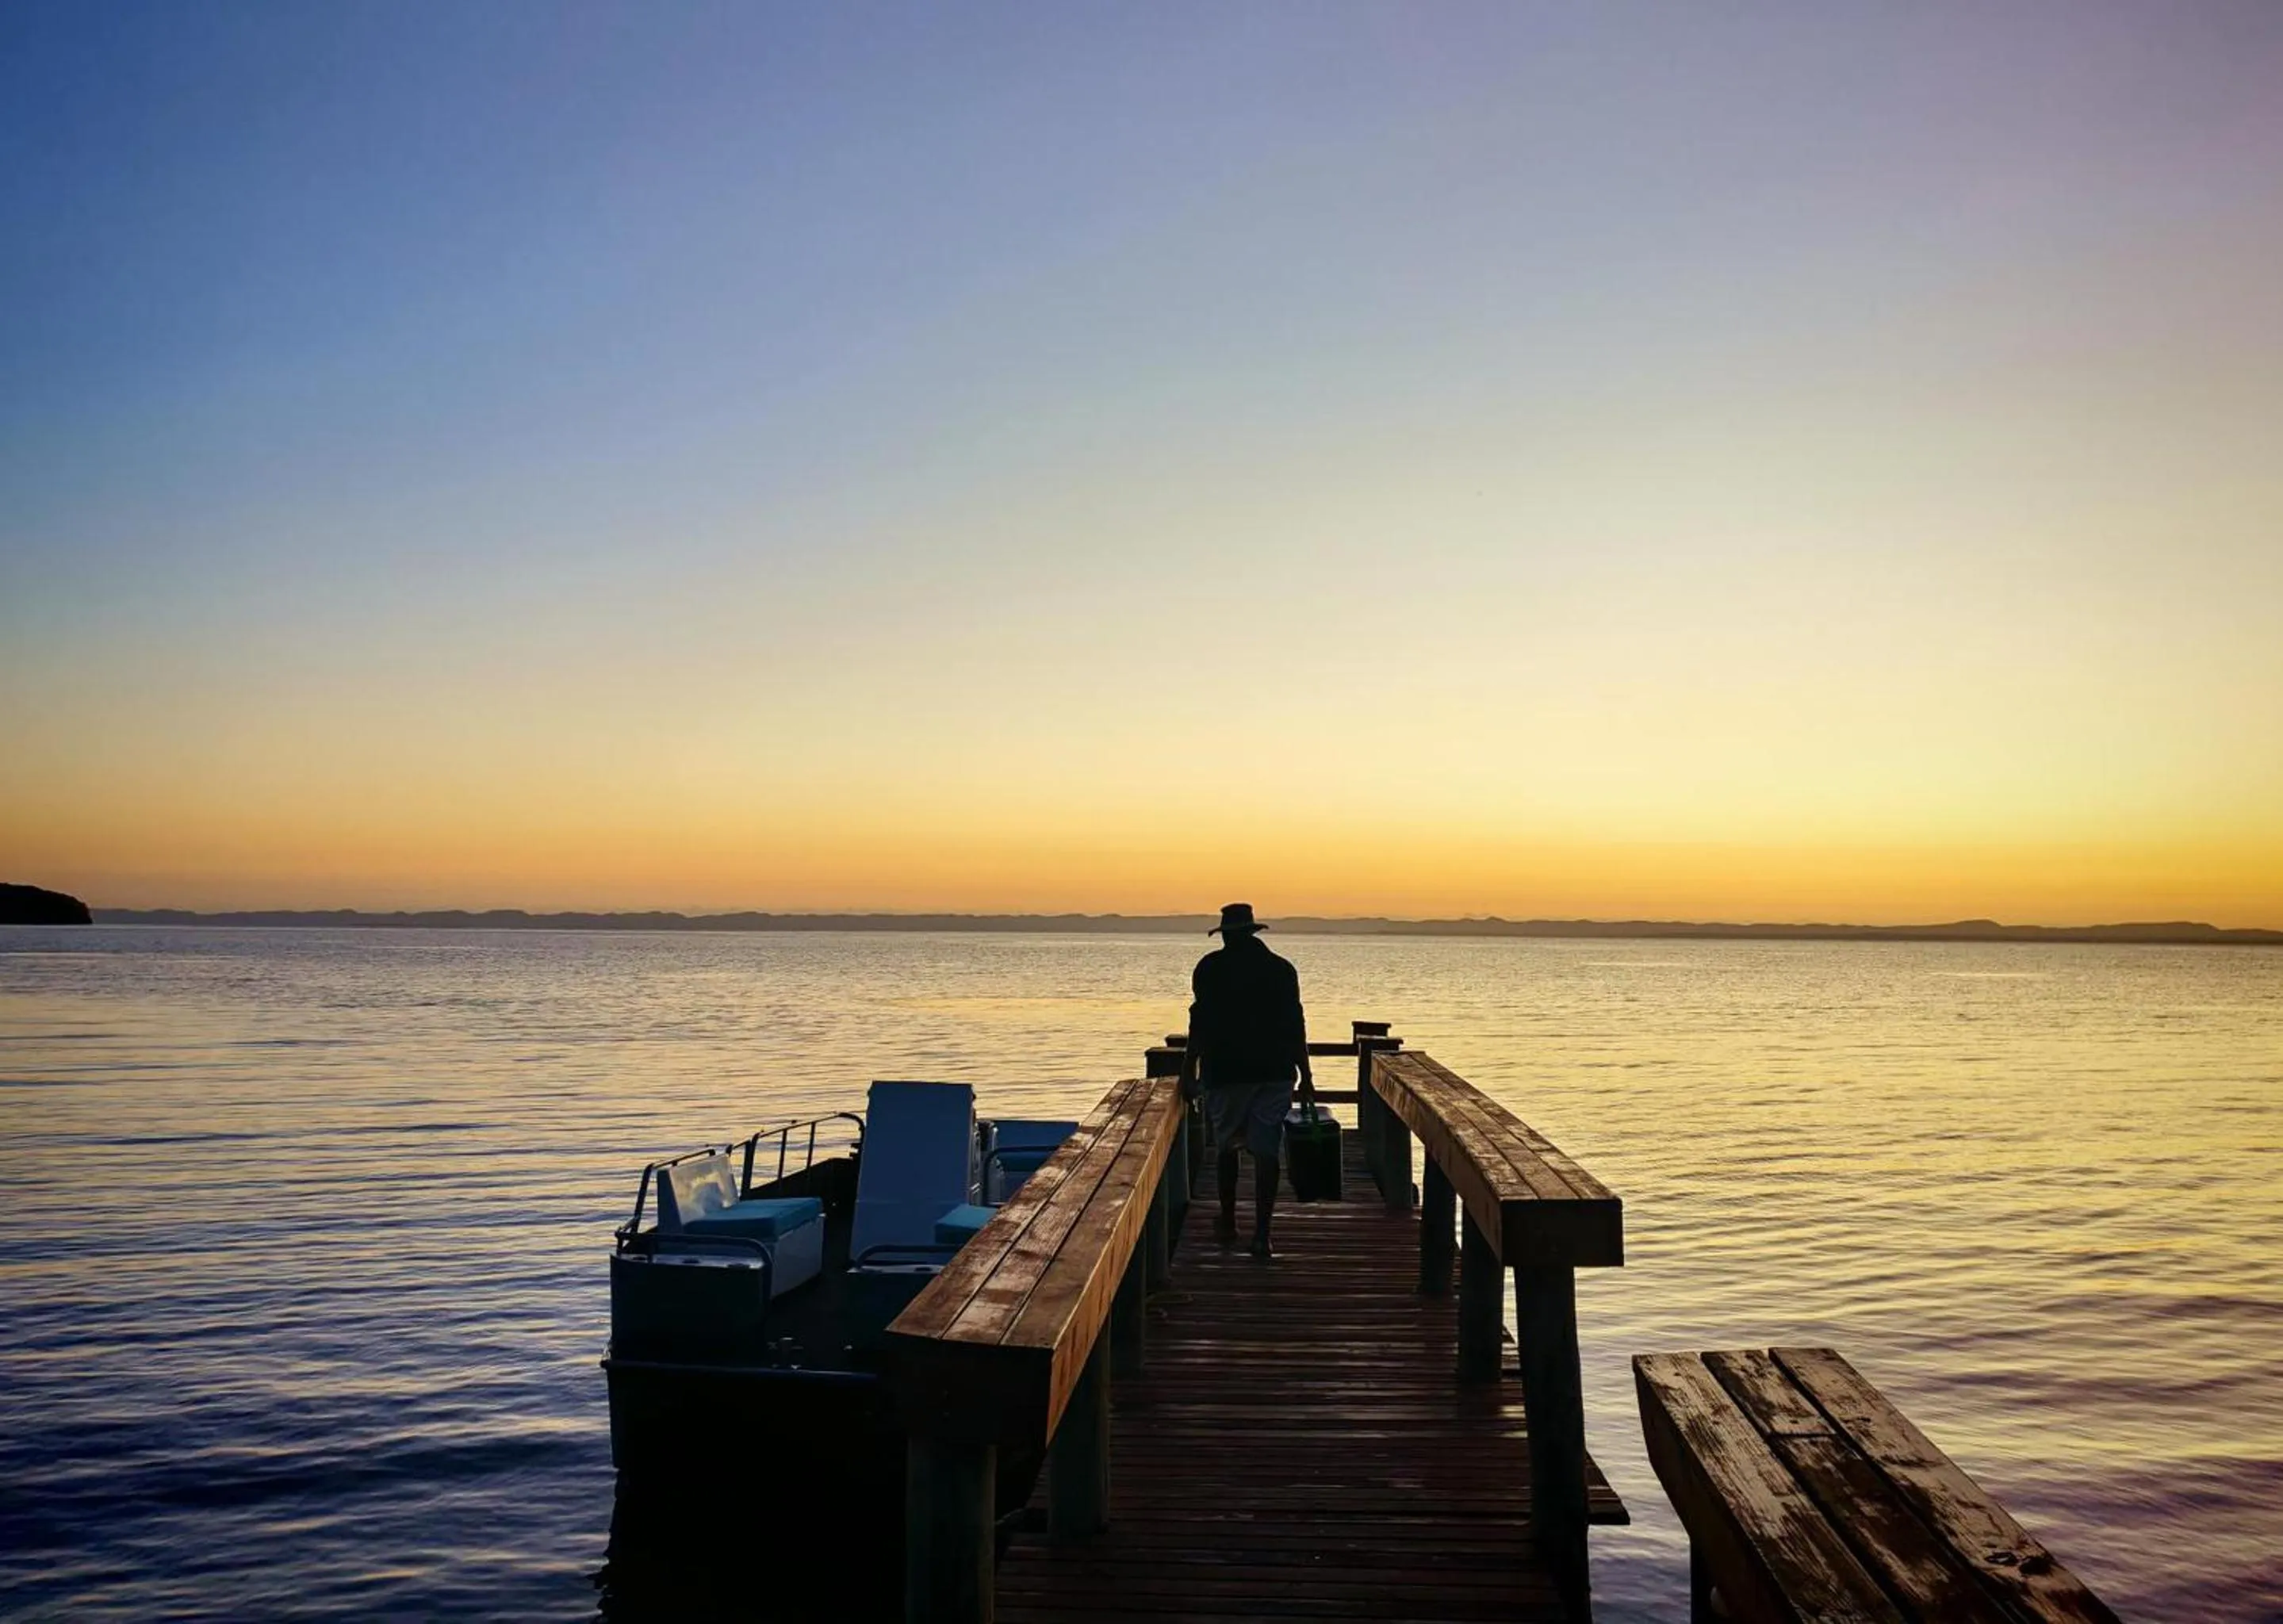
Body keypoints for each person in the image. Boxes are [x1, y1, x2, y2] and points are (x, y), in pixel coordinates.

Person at [1187, 902, 1311, 1257]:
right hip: (1275, 1071)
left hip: (1226, 1073)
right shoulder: (1281, 970)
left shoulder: (1209, 970)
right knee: (1266, 1149)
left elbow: (1199, 1025)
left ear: (1226, 935)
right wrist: (1307, 1074)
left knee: (1227, 1147)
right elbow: (1295, 1025)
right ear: (1253, 932)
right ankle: (1262, 1233)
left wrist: (1188, 1072)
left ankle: (1228, 1222)